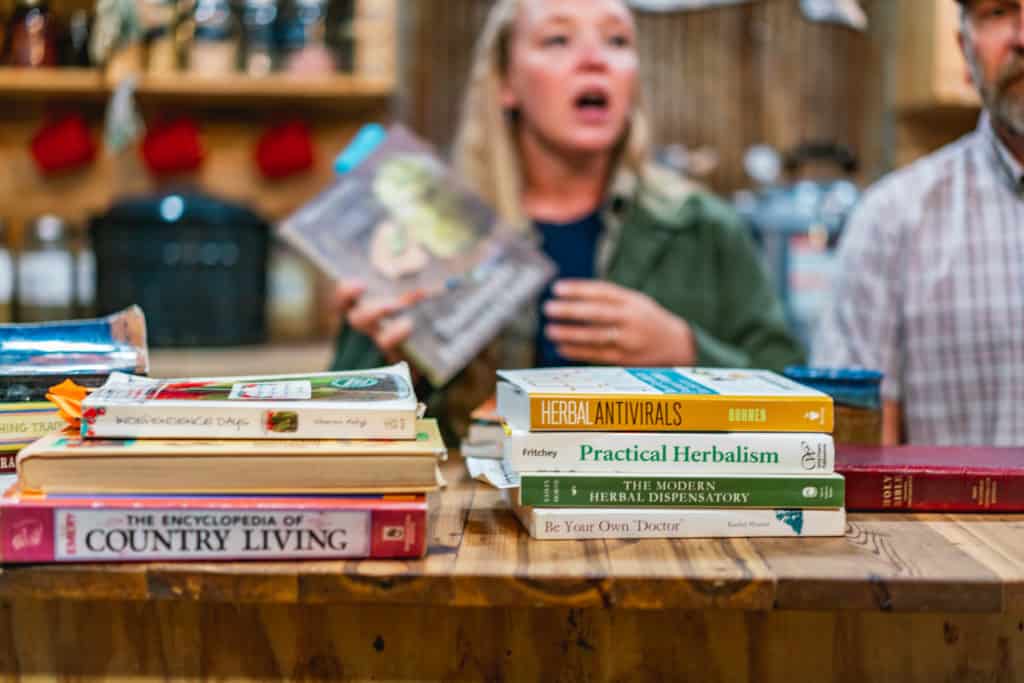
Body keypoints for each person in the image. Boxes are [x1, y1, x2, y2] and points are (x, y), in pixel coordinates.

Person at [331, 0, 804, 434]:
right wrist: (398, 368)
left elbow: (799, 405)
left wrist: (686, 352)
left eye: (617, 40)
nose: (594, 59)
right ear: (506, 83)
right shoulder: (423, 230)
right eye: (558, 40)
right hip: (470, 519)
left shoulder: (703, 227)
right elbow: (333, 429)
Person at [813, 0, 1024, 445]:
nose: (1022, 37)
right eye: (998, 11)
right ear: (963, 48)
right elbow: (858, 456)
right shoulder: (891, 221)